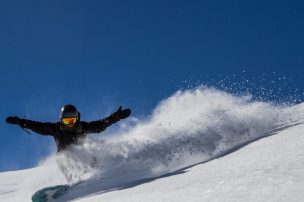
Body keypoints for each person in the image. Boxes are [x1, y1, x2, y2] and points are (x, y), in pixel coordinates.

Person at [6, 105, 131, 152]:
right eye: (67, 121)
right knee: (63, 159)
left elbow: (100, 125)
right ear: (61, 120)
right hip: (66, 159)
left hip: (86, 156)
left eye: (73, 120)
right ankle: (74, 182)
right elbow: (37, 126)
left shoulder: (83, 127)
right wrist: (21, 122)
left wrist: (116, 117)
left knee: (92, 148)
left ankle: (97, 174)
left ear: (77, 119)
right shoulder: (55, 129)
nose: (70, 124)